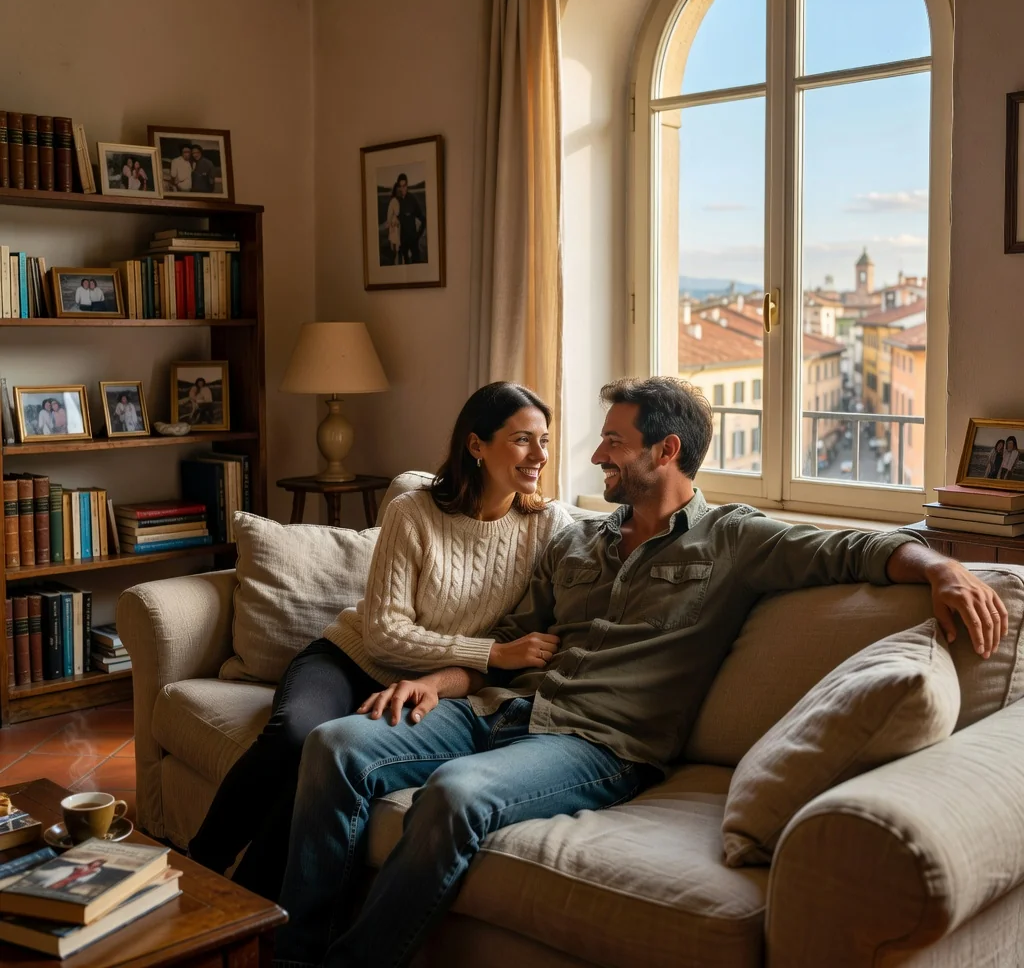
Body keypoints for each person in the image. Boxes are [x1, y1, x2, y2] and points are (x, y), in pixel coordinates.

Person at [273, 376, 1008, 968]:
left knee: (456, 793)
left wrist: (943, 568)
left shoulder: (735, 538)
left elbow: (852, 548)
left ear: (666, 449)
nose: (595, 456)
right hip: (511, 710)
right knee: (337, 746)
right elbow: (513, 639)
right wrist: (439, 680)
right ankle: (289, 953)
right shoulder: (579, 542)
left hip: (601, 746)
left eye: (613, 442)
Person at [188, 382, 574, 901]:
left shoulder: (549, 525)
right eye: (522, 440)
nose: (540, 456)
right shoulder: (414, 512)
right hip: (349, 659)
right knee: (294, 736)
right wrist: (490, 652)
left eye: (544, 440)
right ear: (476, 445)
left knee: (322, 765)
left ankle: (245, 907)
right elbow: (385, 633)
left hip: (428, 688)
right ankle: (196, 866)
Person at [395, 173, 425, 264]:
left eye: (404, 186)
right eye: (400, 186)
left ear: (407, 185)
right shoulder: (395, 201)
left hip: (413, 241)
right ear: (398, 187)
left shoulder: (412, 199)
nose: (402, 189)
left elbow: (423, 220)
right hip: (401, 243)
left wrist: (418, 236)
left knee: (418, 267)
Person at [385, 180, 402, 264]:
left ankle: (396, 262)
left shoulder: (394, 200)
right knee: (396, 247)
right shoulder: (395, 201)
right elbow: (397, 213)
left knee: (396, 246)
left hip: (394, 226)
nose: (400, 191)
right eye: (398, 190)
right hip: (395, 226)